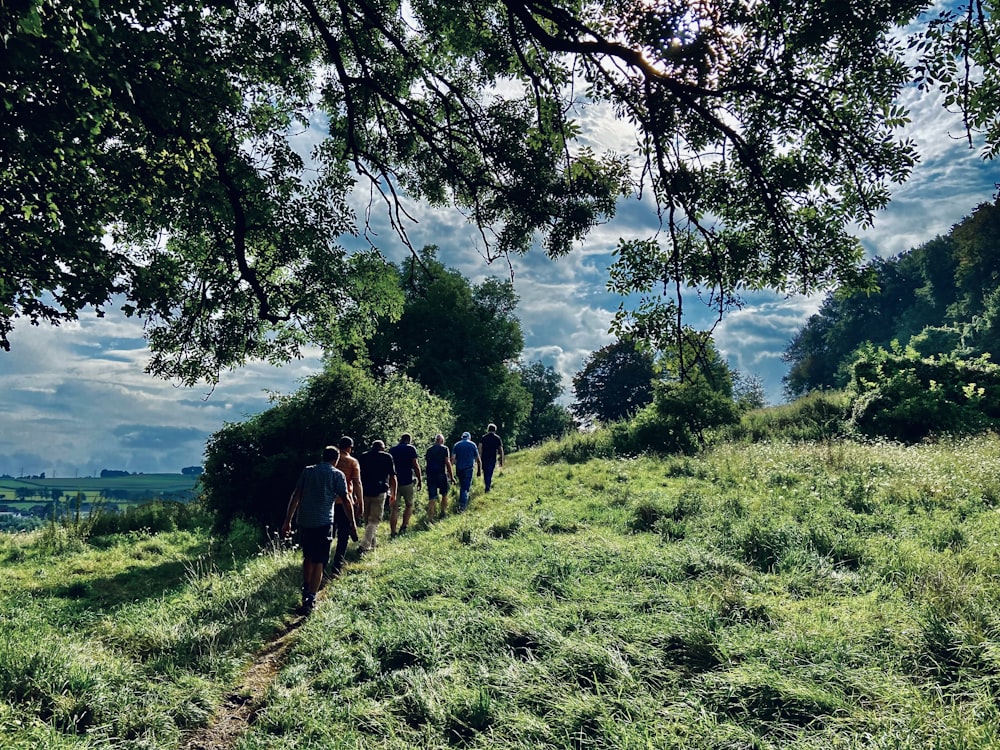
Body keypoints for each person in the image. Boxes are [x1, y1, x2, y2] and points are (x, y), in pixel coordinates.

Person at [281, 445, 350, 615]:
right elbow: (346, 500)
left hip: (305, 521)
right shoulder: (337, 475)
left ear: (322, 456)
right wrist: (352, 524)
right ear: (336, 459)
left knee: (308, 556)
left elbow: (296, 495)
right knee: (320, 560)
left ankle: (306, 587)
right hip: (324, 522)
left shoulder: (307, 471)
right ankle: (311, 597)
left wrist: (287, 521)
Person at [356, 439, 397, 553]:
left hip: (364, 491)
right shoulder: (387, 457)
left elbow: (357, 477)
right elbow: (393, 476)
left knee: (367, 520)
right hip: (379, 492)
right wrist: (393, 493)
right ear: (382, 448)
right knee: (374, 520)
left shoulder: (363, 457)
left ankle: (371, 545)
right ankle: (364, 546)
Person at [388, 433, 422, 537]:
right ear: (409, 440)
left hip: (394, 482)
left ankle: (393, 531)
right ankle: (404, 525)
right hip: (407, 480)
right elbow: (415, 465)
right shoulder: (411, 449)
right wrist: (420, 479)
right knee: (409, 504)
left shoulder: (392, 450)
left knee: (394, 508)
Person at [336, 436, 364, 530]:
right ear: (349, 448)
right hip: (345, 500)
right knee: (343, 531)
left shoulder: (330, 459)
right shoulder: (352, 461)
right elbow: (357, 482)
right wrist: (360, 501)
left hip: (328, 500)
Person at [424, 433, 454, 521]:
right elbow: (447, 463)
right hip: (441, 474)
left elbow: (427, 463)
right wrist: (451, 476)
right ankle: (443, 512)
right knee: (444, 494)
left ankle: (430, 518)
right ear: (442, 441)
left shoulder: (429, 450)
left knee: (432, 497)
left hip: (431, 475)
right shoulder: (445, 449)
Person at [451, 431, 481, 512]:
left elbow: (453, 458)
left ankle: (462, 502)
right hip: (468, 469)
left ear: (462, 437)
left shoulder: (457, 445)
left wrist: (449, 470)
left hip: (459, 469)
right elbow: (478, 459)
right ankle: (462, 506)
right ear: (469, 437)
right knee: (465, 488)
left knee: (462, 486)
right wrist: (479, 470)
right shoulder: (472, 444)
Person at [478, 423, 504, 492]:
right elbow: (500, 450)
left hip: (484, 458)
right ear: (495, 430)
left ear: (488, 429)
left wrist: (479, 458)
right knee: (490, 472)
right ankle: (488, 486)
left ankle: (487, 485)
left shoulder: (483, 437)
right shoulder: (497, 438)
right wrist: (501, 460)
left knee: (485, 472)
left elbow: (480, 448)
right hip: (492, 458)